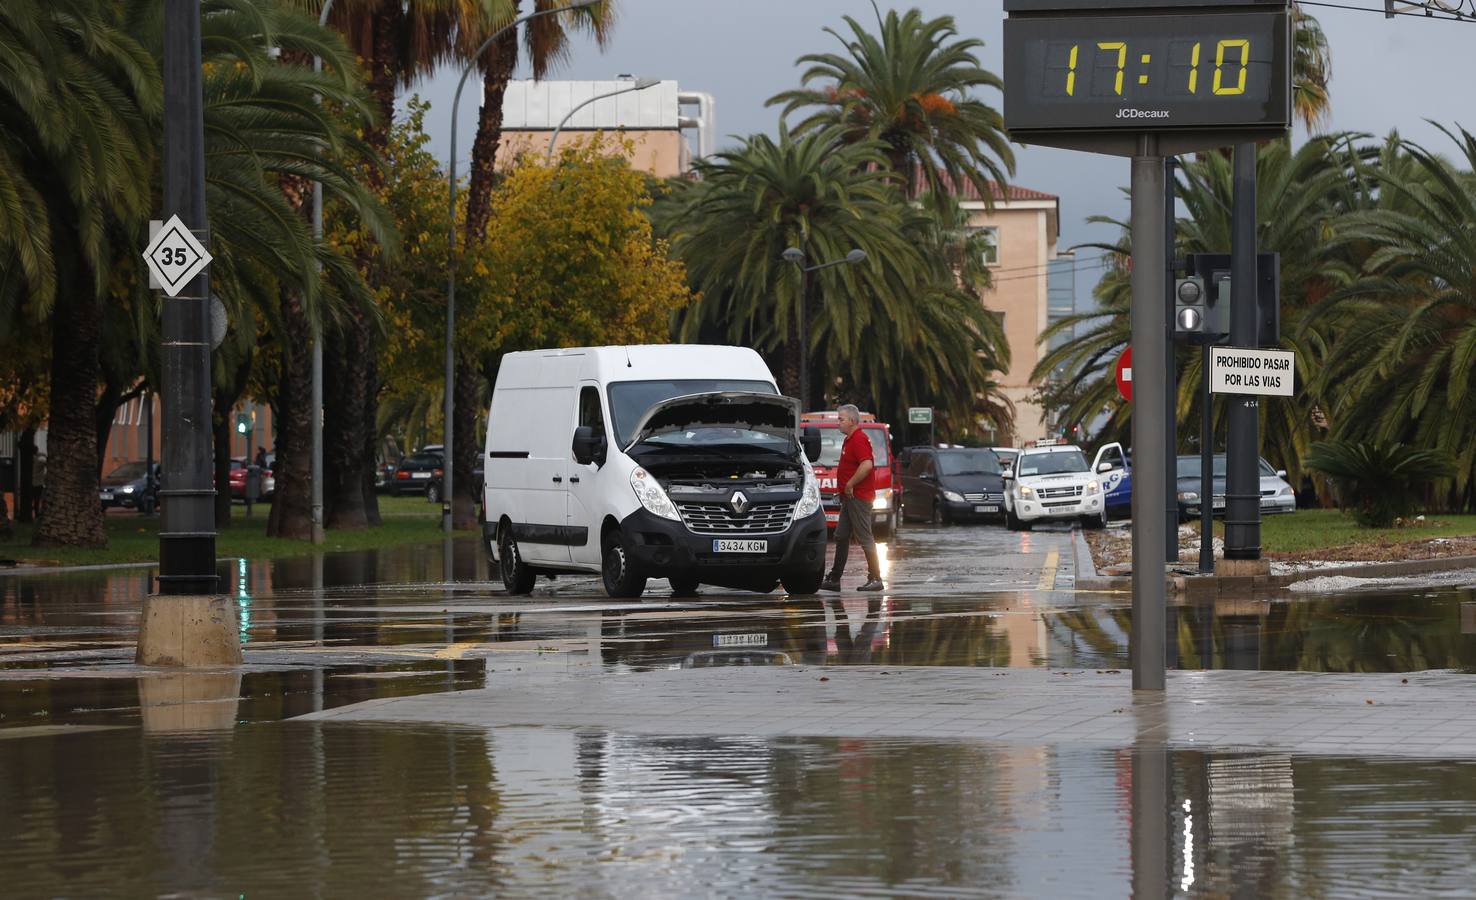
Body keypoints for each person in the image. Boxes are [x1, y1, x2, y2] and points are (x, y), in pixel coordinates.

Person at [820, 404, 885, 592]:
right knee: (841, 535)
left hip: (859, 497)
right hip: (849, 498)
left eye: (841, 419)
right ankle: (834, 579)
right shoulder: (849, 440)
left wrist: (850, 484)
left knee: (865, 537)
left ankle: (876, 578)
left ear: (852, 421)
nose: (837, 422)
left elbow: (867, 465)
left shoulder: (859, 439)